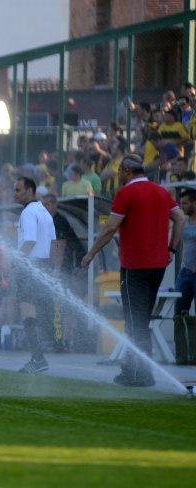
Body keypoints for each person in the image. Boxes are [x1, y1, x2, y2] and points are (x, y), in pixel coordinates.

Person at [81, 154, 185, 386]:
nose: (118, 176)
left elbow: (109, 229)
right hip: (158, 266)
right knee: (139, 319)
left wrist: (91, 253)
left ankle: (143, 374)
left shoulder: (125, 193)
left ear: (127, 171)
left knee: (136, 321)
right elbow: (180, 219)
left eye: (119, 172)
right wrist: (171, 249)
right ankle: (130, 368)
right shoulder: (161, 192)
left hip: (134, 267)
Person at [13, 176, 57, 374]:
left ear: (30, 191)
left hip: (30, 267)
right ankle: (38, 357)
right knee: (37, 313)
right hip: (44, 266)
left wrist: (16, 261)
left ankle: (37, 359)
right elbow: (53, 244)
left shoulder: (28, 212)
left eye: (18, 190)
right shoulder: (45, 213)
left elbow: (29, 241)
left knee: (27, 313)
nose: (15, 194)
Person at [40, 193, 88, 353]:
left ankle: (63, 341)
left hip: (68, 268)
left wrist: (56, 271)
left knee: (61, 305)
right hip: (64, 268)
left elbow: (59, 248)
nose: (44, 208)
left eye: (47, 204)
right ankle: (58, 340)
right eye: (42, 204)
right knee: (57, 304)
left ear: (55, 205)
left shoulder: (58, 221)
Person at [176, 189, 196, 317]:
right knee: (179, 311)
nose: (182, 207)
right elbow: (183, 246)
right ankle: (181, 337)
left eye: (185, 203)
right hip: (185, 272)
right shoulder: (183, 223)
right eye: (181, 203)